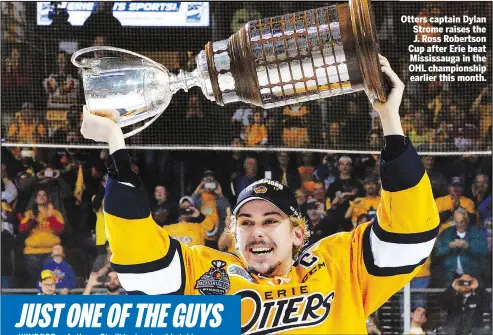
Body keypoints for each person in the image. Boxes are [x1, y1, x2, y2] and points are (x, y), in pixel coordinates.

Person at [80, 55, 440, 333]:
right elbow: (139, 259)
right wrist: (116, 145)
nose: (257, 231)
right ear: (234, 236)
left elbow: (410, 234)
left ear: (298, 233)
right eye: (246, 222)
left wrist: (390, 120)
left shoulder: (338, 266)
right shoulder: (207, 273)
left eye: (271, 220)